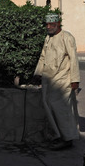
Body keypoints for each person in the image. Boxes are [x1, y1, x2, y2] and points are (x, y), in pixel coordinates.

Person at [32, 13, 80, 150]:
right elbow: (42, 57)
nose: (48, 27)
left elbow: (73, 59)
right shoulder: (48, 38)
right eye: (47, 24)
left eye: (51, 25)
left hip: (63, 79)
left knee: (61, 109)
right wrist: (37, 74)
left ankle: (68, 138)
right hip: (48, 78)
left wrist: (75, 80)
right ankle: (60, 136)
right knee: (49, 107)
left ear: (58, 24)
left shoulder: (67, 37)